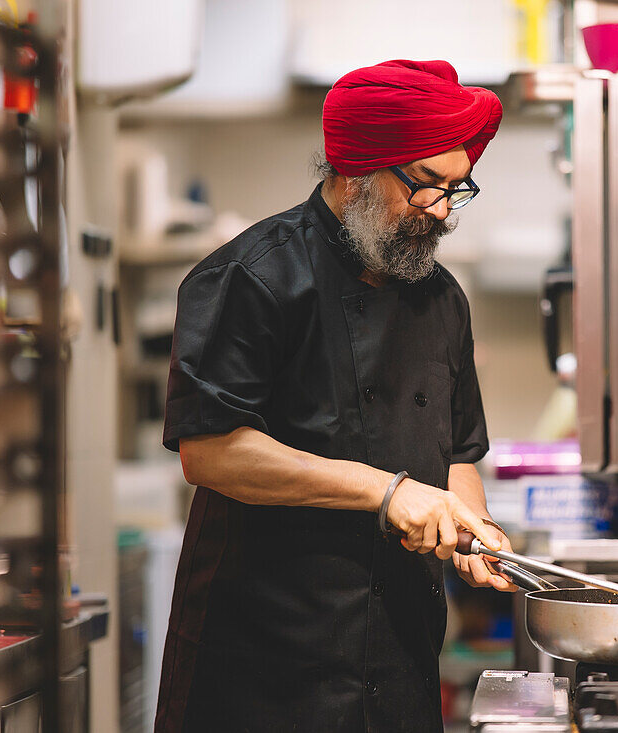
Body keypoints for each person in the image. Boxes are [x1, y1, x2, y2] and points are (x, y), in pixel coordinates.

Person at [153, 59, 514, 733]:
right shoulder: (249, 278)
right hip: (262, 673)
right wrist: (387, 491)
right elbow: (212, 452)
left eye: (456, 190)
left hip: (401, 668)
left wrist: (471, 528)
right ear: (356, 170)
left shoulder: (442, 300)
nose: (441, 212)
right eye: (425, 186)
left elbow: (459, 449)